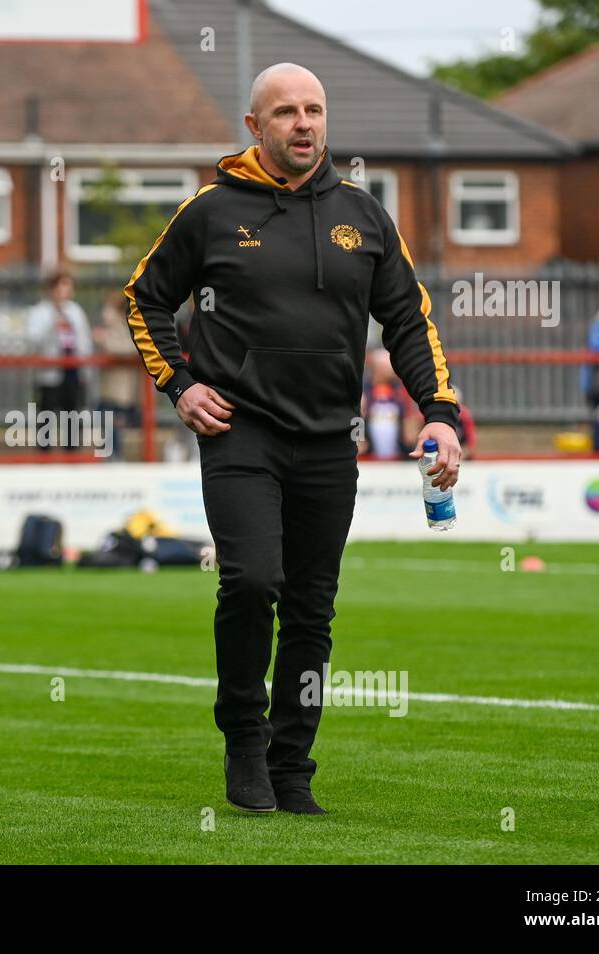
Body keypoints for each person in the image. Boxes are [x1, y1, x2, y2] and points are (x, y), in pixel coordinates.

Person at [124, 63, 461, 815]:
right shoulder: (210, 212)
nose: (304, 124)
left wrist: (438, 410)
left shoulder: (364, 216)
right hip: (241, 435)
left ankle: (292, 764)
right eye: (286, 113)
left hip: (329, 443)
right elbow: (143, 300)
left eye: (314, 109)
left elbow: (409, 320)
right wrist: (180, 385)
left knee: (312, 606)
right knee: (251, 582)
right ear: (255, 127)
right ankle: (244, 743)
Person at [26, 271, 92, 449]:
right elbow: (33, 340)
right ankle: (44, 459)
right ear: (52, 289)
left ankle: (71, 457)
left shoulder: (76, 311)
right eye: (61, 287)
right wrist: (52, 325)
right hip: (49, 374)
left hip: (73, 372)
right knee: (46, 417)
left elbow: (84, 341)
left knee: (72, 418)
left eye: (68, 287)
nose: (65, 292)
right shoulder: (40, 312)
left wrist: (85, 371)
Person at [92, 289, 141, 460]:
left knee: (120, 425)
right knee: (112, 425)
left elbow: (134, 347)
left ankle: (116, 457)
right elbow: (116, 347)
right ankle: (113, 459)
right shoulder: (110, 322)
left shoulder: (129, 322)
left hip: (125, 387)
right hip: (113, 387)